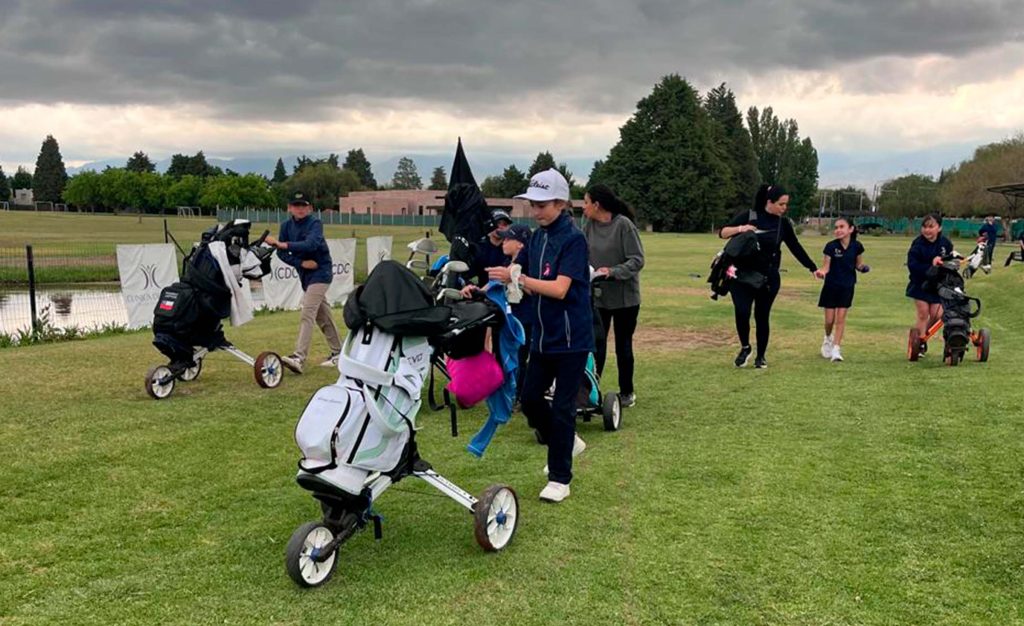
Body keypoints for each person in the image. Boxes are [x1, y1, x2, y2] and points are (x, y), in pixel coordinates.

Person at [486, 169, 592, 503]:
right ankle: (567, 442)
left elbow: (560, 289)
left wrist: (518, 278)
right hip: (542, 337)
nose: (536, 211)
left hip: (572, 338)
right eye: (533, 204)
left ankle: (560, 478)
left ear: (561, 203)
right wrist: (491, 286)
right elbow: (523, 280)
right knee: (530, 400)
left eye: (542, 205)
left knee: (562, 407)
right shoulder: (536, 238)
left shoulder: (574, 240)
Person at [718, 184, 819, 369]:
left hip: (768, 278)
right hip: (741, 275)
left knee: (762, 316)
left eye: (786, 204)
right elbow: (723, 233)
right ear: (769, 202)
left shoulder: (783, 224)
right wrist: (742, 228)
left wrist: (812, 267)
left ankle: (761, 356)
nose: (784, 208)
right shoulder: (750, 216)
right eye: (781, 204)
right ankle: (745, 347)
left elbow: (795, 247)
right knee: (742, 312)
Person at [581, 184, 645, 407]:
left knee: (623, 346)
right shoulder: (588, 226)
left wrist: (613, 271)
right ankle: (591, 391)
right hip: (598, 296)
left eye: (586, 202)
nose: (584, 207)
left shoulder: (623, 225)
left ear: (597, 205)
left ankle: (627, 391)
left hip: (625, 299)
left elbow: (637, 260)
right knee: (596, 345)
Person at [265, 192, 341, 374]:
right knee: (323, 317)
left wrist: (284, 244)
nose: (300, 209)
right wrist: (300, 263)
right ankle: (339, 353)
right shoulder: (286, 226)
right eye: (296, 205)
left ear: (310, 208)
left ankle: (298, 357)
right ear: (289, 208)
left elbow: (311, 244)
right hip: (305, 275)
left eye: (303, 205)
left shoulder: (315, 223)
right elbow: (281, 254)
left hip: (321, 272)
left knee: (308, 312)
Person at [817, 217, 868, 362]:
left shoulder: (857, 246)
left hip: (847, 286)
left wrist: (863, 268)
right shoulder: (830, 246)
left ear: (851, 229)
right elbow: (826, 267)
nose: (838, 230)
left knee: (840, 318)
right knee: (829, 320)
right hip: (831, 286)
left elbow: (858, 264)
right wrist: (821, 273)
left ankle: (836, 349)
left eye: (841, 227)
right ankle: (828, 338)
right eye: (836, 227)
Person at [905, 213, 953, 357]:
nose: (927, 230)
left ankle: (923, 336)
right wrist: (931, 266)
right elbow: (913, 265)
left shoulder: (945, 243)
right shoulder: (917, 244)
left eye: (931, 227)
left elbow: (950, 260)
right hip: (920, 284)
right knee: (923, 313)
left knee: (938, 315)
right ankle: (919, 344)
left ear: (939, 228)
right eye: (924, 227)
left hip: (938, 285)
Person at [471, 209, 513, 286]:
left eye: (504, 224)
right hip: (482, 290)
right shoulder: (478, 247)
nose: (500, 227)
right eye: (497, 223)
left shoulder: (512, 248)